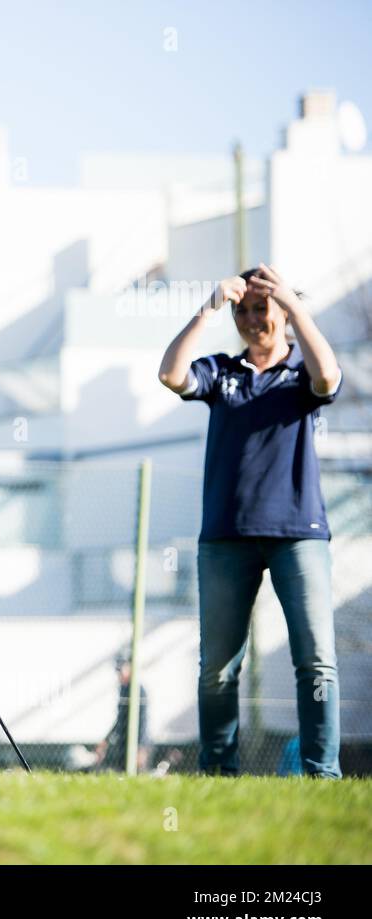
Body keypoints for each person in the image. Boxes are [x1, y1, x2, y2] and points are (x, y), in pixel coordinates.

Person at [158, 264, 343, 778]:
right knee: (217, 670)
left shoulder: (302, 376)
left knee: (317, 662)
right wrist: (209, 306)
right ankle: (218, 772)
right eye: (243, 311)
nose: (252, 318)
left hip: (298, 536)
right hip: (225, 537)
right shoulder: (221, 372)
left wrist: (295, 304)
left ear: (283, 312)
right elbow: (171, 374)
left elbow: (328, 375)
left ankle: (321, 774)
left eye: (262, 308)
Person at [90, 652, 150, 773]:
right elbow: (120, 720)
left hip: (138, 744)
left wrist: (141, 747)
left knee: (138, 775)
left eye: (121, 669)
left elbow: (143, 721)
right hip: (123, 743)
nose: (119, 674)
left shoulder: (138, 690)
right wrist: (106, 741)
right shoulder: (123, 689)